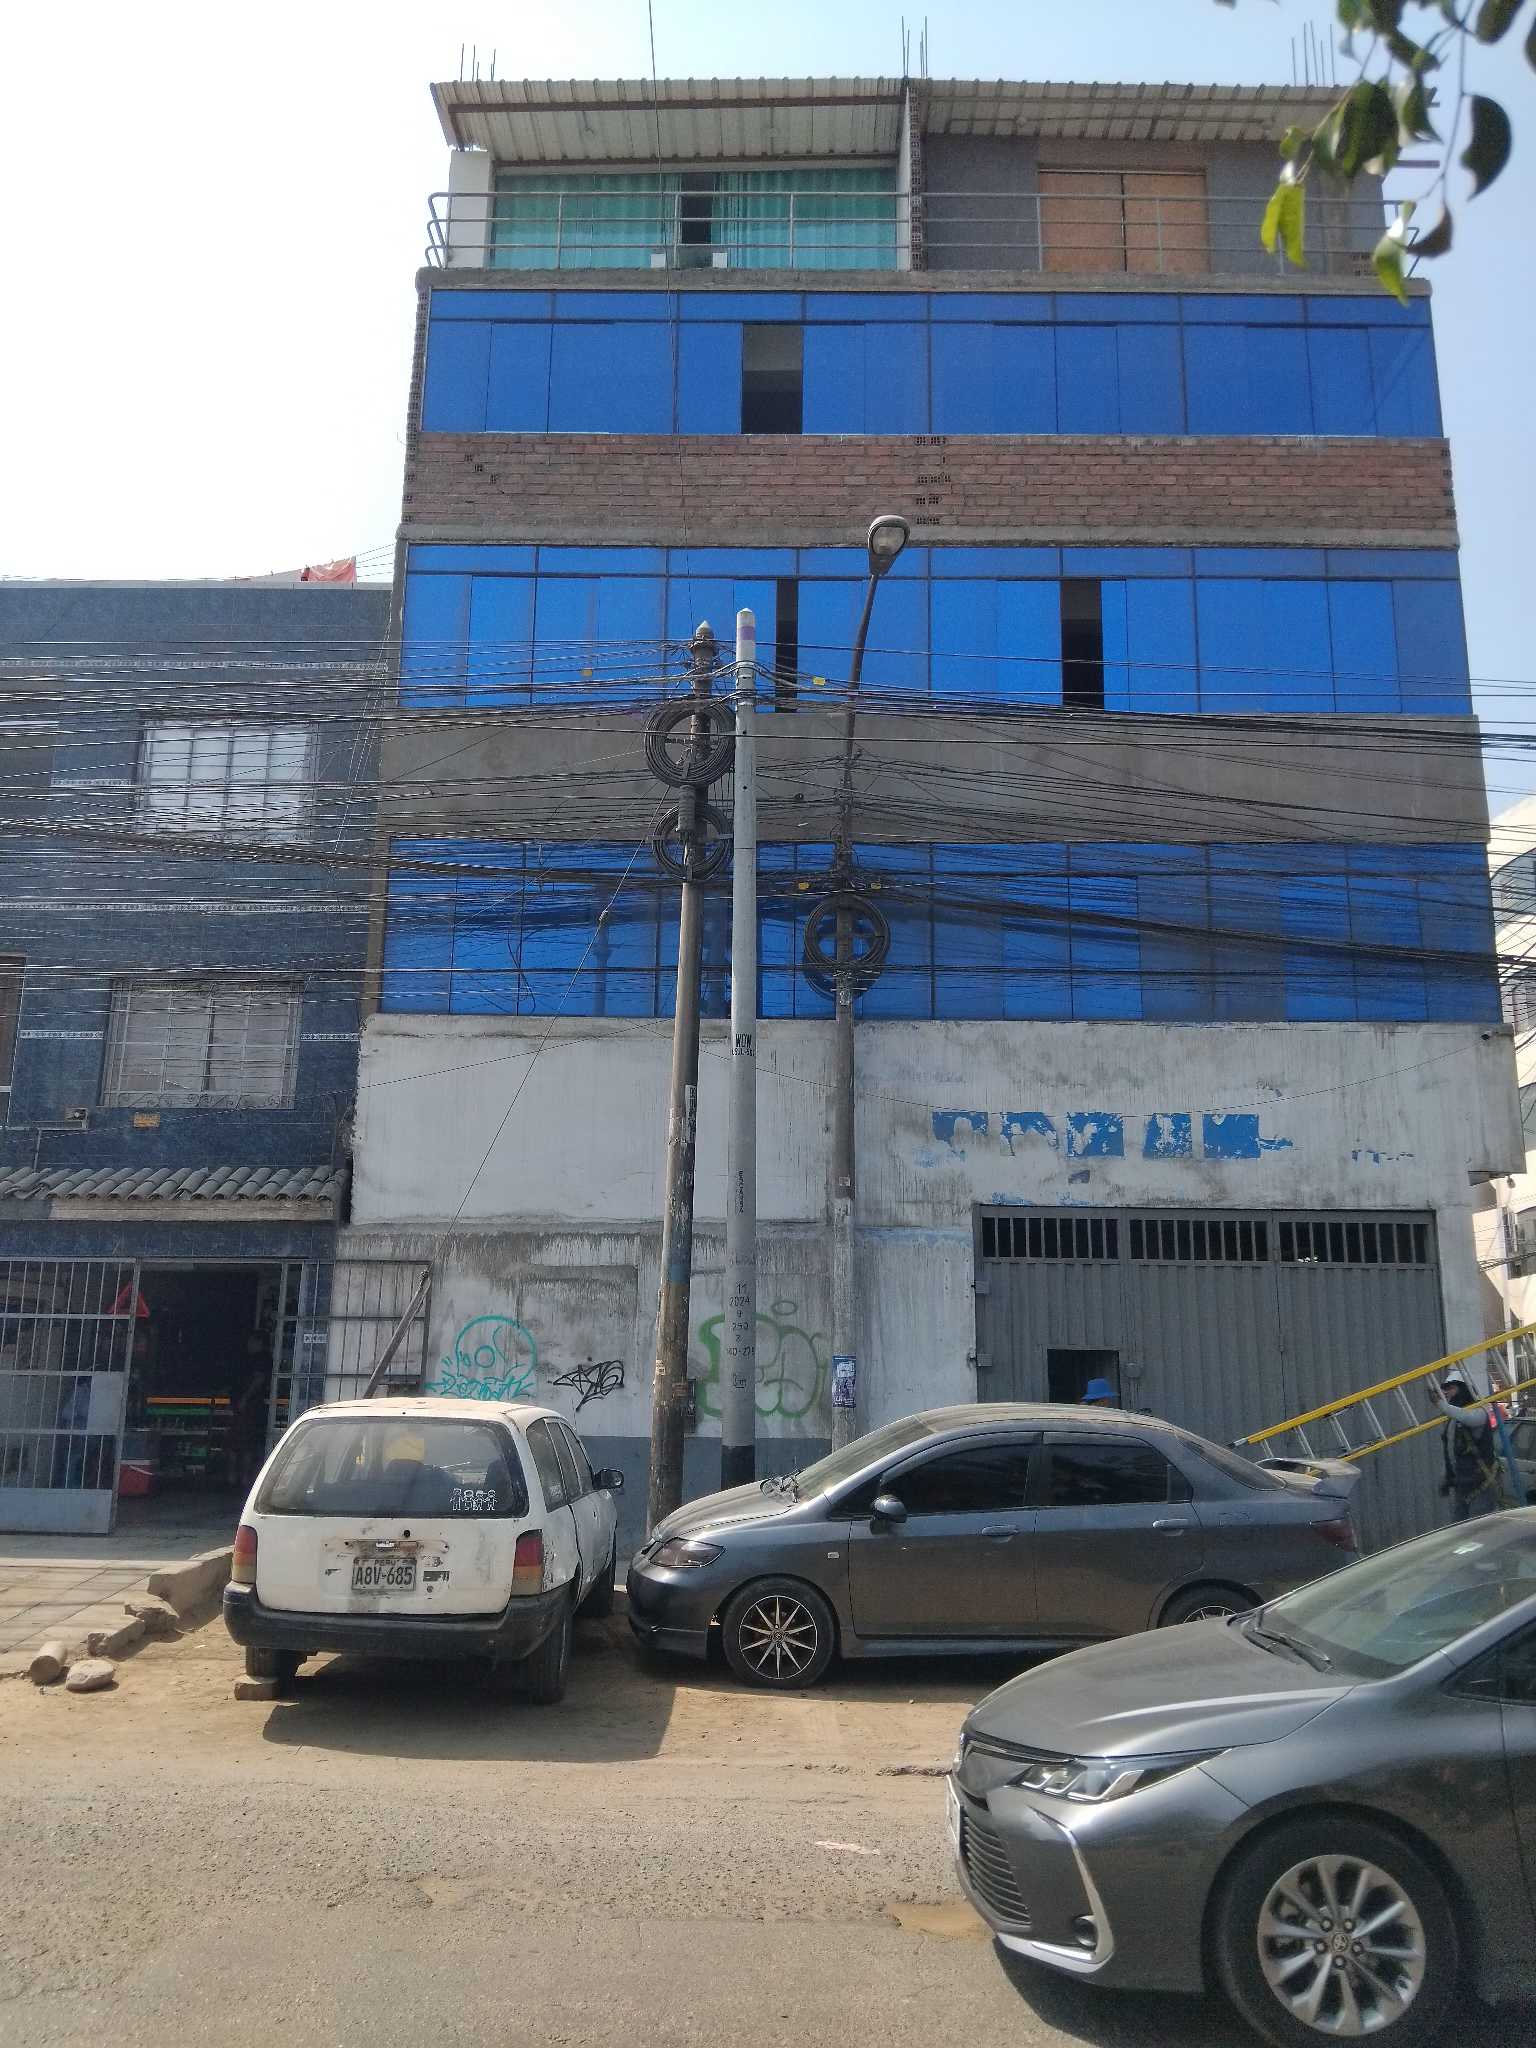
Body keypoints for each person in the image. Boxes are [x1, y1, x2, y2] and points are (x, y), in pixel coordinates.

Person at [1431, 1370, 1502, 1522]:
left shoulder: (1480, 1411)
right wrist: (1446, 1477)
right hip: (1462, 1485)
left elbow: (1467, 1416)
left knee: (1479, 1529)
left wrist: (1440, 1404)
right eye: (1446, 1389)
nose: (1447, 1393)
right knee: (1461, 1530)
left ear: (1464, 1389)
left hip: (1482, 1484)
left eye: (1451, 1388)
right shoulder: (1453, 1420)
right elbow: (1450, 1452)